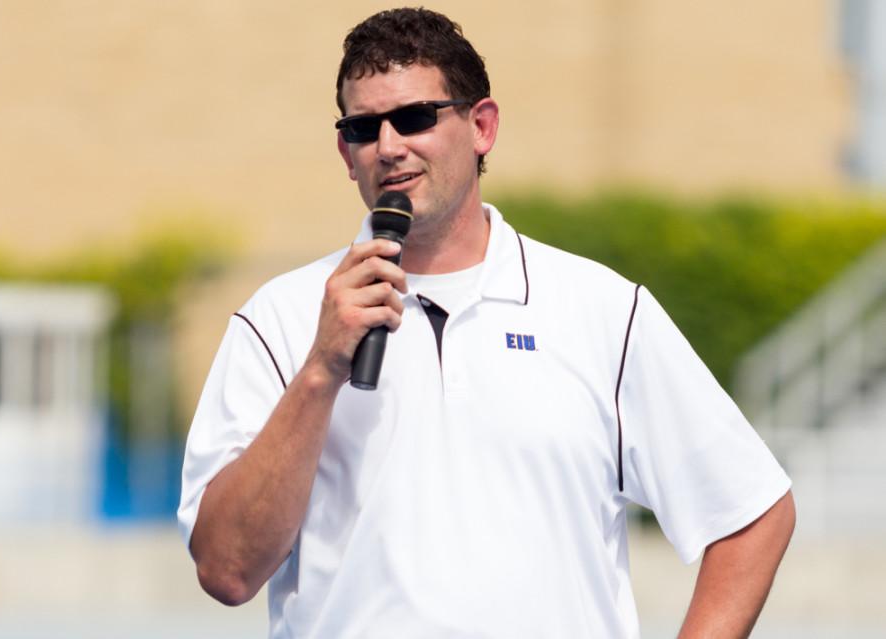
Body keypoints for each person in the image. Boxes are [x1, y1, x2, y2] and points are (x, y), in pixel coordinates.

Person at [178, 7, 795, 638]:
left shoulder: (602, 311)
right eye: (364, 127)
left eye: (415, 118)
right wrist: (319, 372)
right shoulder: (278, 319)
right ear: (345, 151)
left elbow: (750, 512)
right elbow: (226, 571)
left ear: (482, 126)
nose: (389, 146)